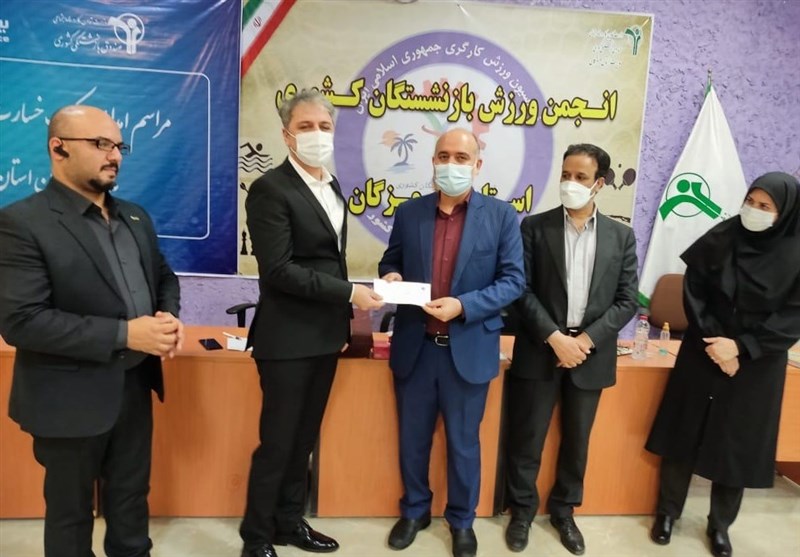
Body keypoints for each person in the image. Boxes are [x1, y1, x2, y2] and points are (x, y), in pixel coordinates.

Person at [0, 105, 183, 557]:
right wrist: (126, 335)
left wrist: (167, 315)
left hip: (134, 387)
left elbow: (164, 277)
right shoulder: (22, 223)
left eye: (119, 146)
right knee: (71, 515)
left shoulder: (135, 218)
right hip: (68, 397)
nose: (114, 155)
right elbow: (22, 321)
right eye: (100, 144)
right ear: (58, 148)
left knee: (131, 502)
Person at [240, 89, 384, 557]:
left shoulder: (333, 186)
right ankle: (255, 538)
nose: (316, 134)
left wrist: (345, 313)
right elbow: (279, 270)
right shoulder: (270, 189)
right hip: (286, 339)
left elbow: (329, 261)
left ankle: (288, 522)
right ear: (287, 135)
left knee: (303, 440)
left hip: (324, 336)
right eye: (305, 127)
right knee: (278, 443)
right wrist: (349, 293)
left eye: (324, 126)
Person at [378, 128, 525, 557]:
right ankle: (415, 511)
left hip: (469, 349)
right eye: (444, 156)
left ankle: (462, 520)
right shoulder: (409, 213)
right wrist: (391, 275)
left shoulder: (501, 216)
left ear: (477, 165)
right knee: (413, 439)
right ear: (433, 161)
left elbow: (513, 281)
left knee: (464, 444)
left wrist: (464, 305)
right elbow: (391, 260)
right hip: (416, 348)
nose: (451, 164)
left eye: (461, 157)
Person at [646, 172, 800, 557]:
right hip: (704, 348)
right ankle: (667, 513)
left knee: (737, 445)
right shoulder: (723, 235)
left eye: (765, 207)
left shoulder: (796, 253)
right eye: (751, 202)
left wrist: (742, 348)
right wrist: (717, 342)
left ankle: (719, 526)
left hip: (758, 363)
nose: (754, 211)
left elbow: (793, 316)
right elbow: (694, 289)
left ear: (784, 213)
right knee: (684, 434)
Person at [504, 144, 638, 555]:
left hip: (590, 353)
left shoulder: (621, 235)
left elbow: (627, 300)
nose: (570, 183)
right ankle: (521, 511)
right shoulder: (534, 227)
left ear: (600, 183)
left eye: (581, 177)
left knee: (577, 442)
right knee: (528, 438)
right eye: (566, 175)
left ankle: (564, 511)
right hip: (541, 347)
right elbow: (521, 290)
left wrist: (584, 340)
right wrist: (555, 337)